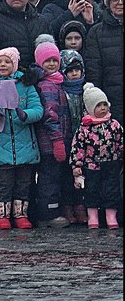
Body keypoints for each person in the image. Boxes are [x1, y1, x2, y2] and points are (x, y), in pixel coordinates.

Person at [0, 47, 43, 230]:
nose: (3, 65)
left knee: (24, 184)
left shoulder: (26, 86)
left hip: (25, 146)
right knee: (4, 184)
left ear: (14, 64)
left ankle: (21, 214)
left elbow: (38, 110)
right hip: (2, 146)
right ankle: (2, 215)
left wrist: (25, 115)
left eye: (7, 61)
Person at [31, 37, 72, 228]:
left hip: (56, 140)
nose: (52, 64)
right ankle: (48, 214)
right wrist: (57, 140)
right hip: (50, 142)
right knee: (49, 179)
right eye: (48, 61)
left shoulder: (57, 82)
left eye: (55, 60)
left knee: (55, 177)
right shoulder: (47, 85)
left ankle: (53, 210)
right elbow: (50, 115)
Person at [70, 83, 122, 229]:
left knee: (111, 191)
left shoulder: (114, 125)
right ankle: (92, 216)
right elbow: (77, 147)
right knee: (91, 191)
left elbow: (120, 141)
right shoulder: (84, 128)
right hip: (92, 165)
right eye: (98, 105)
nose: (103, 108)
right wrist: (77, 165)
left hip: (111, 163)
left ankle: (111, 216)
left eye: (105, 104)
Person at [83, 0, 123, 123]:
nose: (120, 3)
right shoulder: (96, 32)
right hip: (110, 101)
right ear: (108, 2)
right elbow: (94, 70)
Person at [59, 49, 87, 224]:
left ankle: (80, 206)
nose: (74, 73)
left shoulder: (87, 90)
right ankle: (67, 206)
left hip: (84, 142)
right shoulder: (62, 91)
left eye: (77, 69)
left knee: (82, 176)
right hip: (66, 139)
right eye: (70, 70)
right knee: (65, 176)